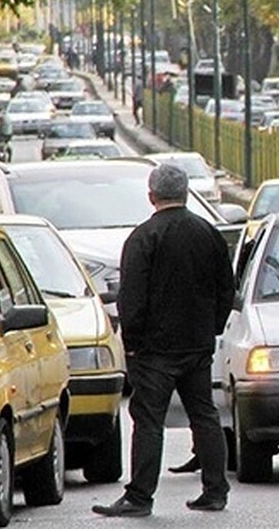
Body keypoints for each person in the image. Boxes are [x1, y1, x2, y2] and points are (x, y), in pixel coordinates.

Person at [92, 164, 233, 518]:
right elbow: (225, 288)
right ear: (185, 193)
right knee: (204, 415)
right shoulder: (208, 233)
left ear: (151, 195)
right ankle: (215, 490)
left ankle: (140, 496)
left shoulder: (143, 238)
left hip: (154, 349)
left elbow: (133, 297)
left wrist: (132, 341)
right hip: (197, 344)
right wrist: (212, 328)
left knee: (148, 419)